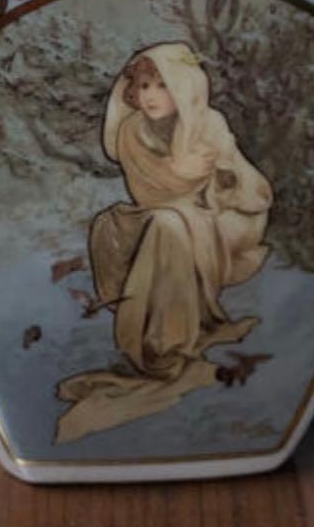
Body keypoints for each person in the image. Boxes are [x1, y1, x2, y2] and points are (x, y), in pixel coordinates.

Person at [55, 41, 273, 443]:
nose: (151, 96)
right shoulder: (131, 132)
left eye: (163, 85)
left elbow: (252, 193)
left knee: (168, 226)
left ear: (185, 88)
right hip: (157, 214)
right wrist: (178, 182)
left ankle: (167, 343)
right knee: (122, 225)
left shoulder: (209, 126)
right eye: (144, 86)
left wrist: (222, 178)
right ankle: (154, 334)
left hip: (211, 221)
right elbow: (148, 195)